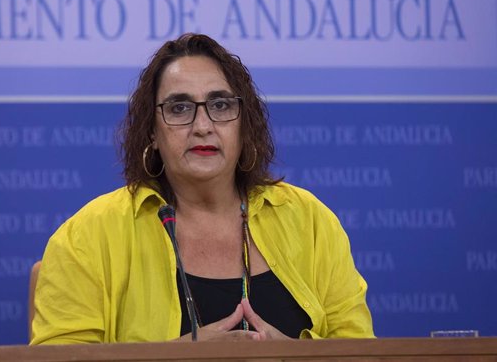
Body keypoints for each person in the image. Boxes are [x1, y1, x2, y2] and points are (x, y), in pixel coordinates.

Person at [30, 33, 374, 344]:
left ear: (244, 124)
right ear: (152, 130)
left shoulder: (308, 219)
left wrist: (293, 356)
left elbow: (361, 350)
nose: (203, 126)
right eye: (179, 108)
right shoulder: (88, 236)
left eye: (220, 105)